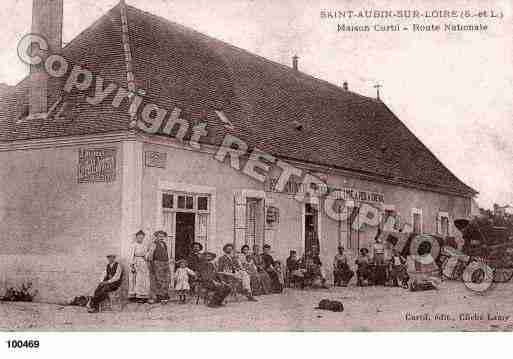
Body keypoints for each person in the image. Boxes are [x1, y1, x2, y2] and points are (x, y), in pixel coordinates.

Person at [148, 230, 171, 303]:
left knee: (167, 279)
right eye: (159, 236)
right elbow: (150, 255)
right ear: (156, 237)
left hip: (165, 263)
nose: (161, 238)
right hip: (157, 263)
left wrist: (167, 261)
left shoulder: (164, 244)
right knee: (159, 280)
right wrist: (152, 264)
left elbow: (166, 253)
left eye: (162, 236)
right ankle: (159, 296)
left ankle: (165, 294)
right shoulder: (153, 244)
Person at [128, 230, 151, 303]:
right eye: (139, 237)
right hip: (136, 262)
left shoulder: (144, 245)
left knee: (143, 279)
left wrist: (147, 256)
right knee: (135, 279)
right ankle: (135, 296)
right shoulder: (133, 245)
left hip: (143, 263)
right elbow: (131, 255)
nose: (140, 239)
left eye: (142, 238)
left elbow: (146, 254)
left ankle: (143, 296)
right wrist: (132, 265)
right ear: (136, 237)